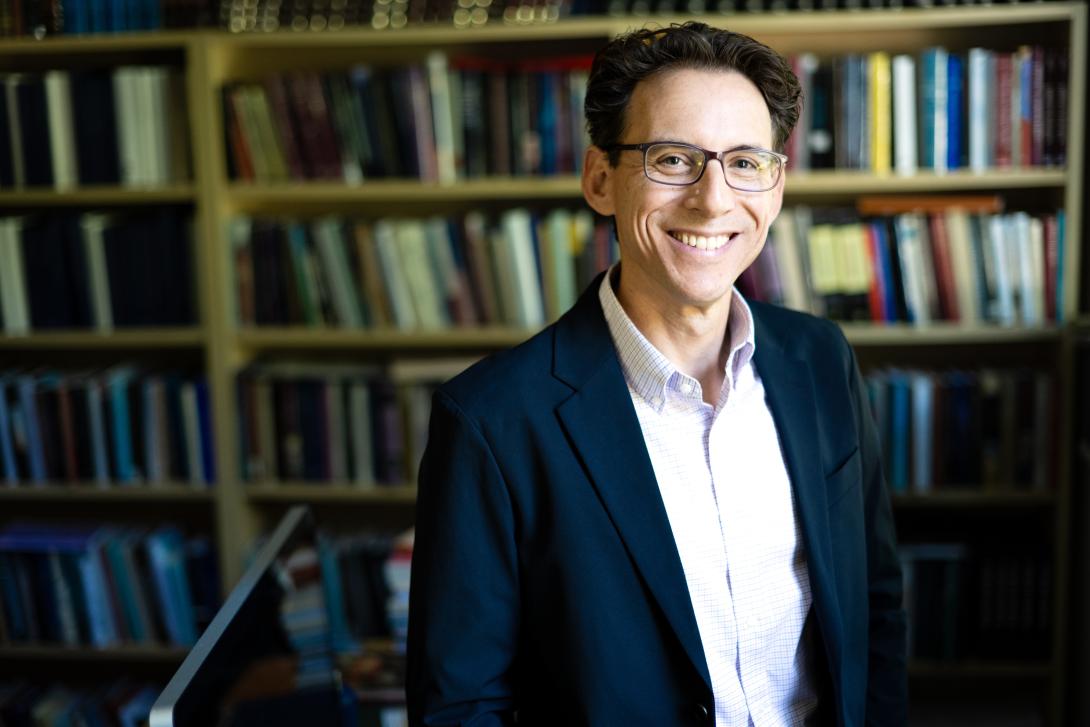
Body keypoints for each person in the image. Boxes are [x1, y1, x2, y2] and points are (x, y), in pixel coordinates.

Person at [407, 22, 907, 727]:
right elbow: (462, 707)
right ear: (601, 178)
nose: (712, 199)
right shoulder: (491, 422)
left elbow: (873, 605)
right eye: (673, 158)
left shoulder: (821, 360)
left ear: (777, 183)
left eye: (745, 162)